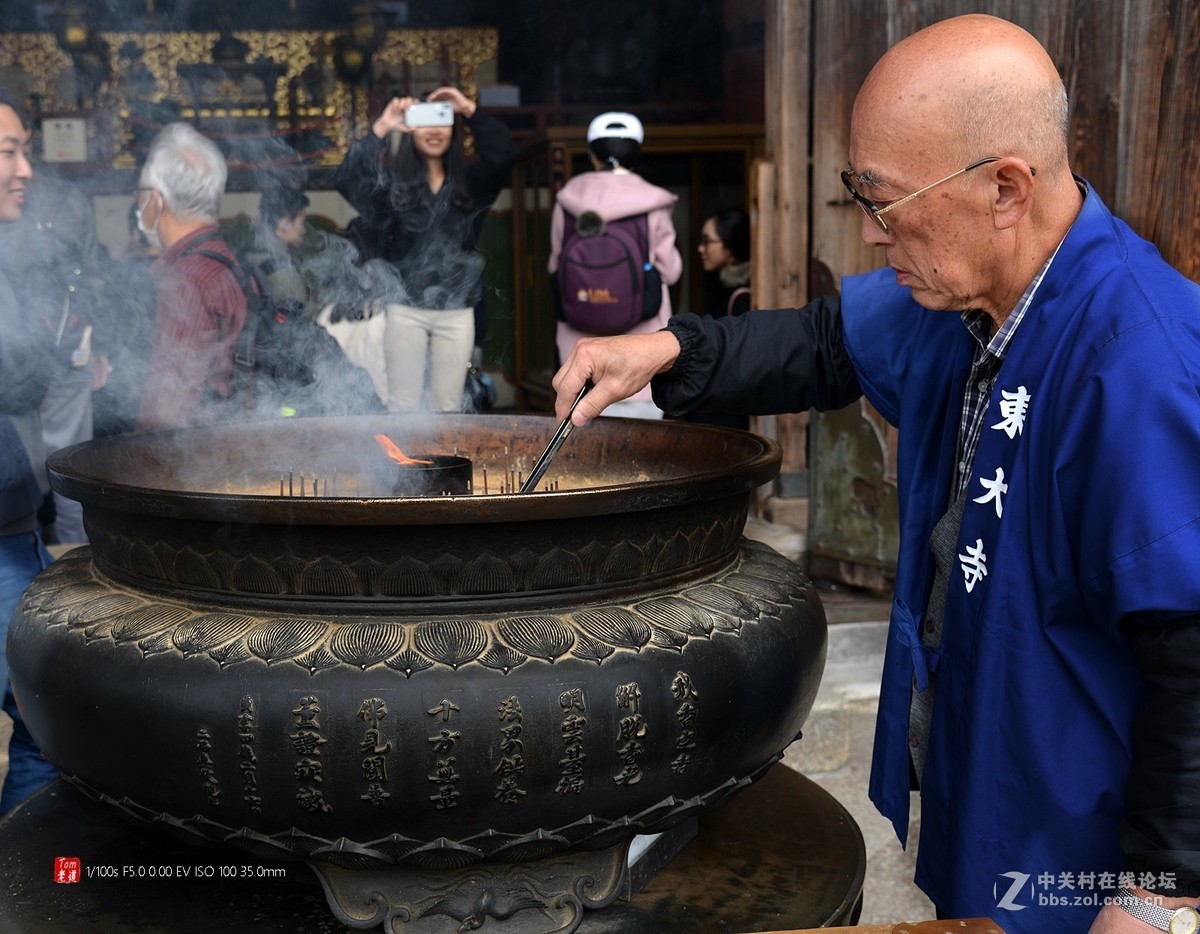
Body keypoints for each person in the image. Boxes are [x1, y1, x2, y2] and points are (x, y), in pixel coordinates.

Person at [549, 15, 1200, 934]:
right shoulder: (967, 289)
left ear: (1005, 187)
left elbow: (1192, 659)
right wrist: (659, 350)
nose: (866, 232)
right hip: (992, 797)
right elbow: (824, 343)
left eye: (883, 200)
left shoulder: (1145, 361)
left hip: (1084, 863)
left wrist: (1160, 897)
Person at [332, 86, 517, 413]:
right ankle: (404, 466)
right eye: (425, 120)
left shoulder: (472, 185)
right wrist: (384, 124)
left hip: (458, 312)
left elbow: (504, 151)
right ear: (411, 128)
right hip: (405, 311)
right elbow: (347, 178)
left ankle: (444, 466)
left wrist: (468, 108)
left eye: (443, 120)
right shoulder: (392, 190)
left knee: (448, 407)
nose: (433, 130)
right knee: (402, 406)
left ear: (454, 128)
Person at [0, 90, 59, 814]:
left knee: (45, 723)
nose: (26, 170)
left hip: (12, 529)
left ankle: (31, 890)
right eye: (10, 153)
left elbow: (24, 377)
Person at [547, 112, 682, 420]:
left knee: (584, 444)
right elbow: (671, 271)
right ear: (636, 155)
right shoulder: (652, 203)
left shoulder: (567, 201)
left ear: (593, 155)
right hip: (640, 349)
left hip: (579, 348)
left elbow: (556, 265)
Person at [134, 122, 248, 431]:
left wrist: (134, 464)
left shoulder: (187, 280)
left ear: (156, 200)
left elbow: (167, 412)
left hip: (196, 461)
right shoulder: (231, 263)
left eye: (140, 193)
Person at [92, 204, 159, 437]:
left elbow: (104, 326)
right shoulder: (183, 273)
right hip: (168, 391)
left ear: (134, 233)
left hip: (122, 390)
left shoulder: (116, 275)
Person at [687, 206, 750, 429]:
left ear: (731, 246)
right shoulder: (722, 287)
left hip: (726, 417)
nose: (700, 248)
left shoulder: (742, 297)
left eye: (707, 241)